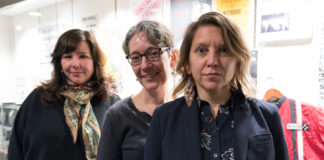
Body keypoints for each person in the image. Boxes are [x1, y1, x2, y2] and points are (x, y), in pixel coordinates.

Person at [144, 12, 289, 160]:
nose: (212, 61)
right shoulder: (164, 118)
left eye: (224, 50)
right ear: (187, 64)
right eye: (202, 50)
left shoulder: (267, 115)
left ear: (238, 62)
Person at [8, 29, 120, 160]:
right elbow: (16, 150)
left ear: (94, 61)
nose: (75, 64)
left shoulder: (112, 103)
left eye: (83, 56)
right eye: (68, 56)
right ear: (59, 62)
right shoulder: (36, 100)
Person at [97, 20, 174, 160]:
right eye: (136, 58)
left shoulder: (189, 108)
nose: (144, 66)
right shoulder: (117, 116)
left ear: (173, 57)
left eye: (153, 53)